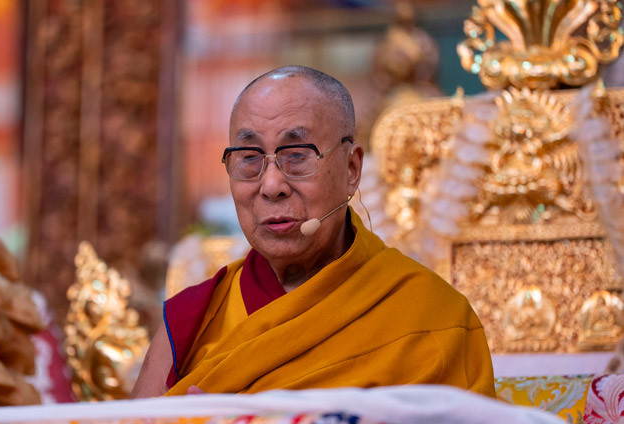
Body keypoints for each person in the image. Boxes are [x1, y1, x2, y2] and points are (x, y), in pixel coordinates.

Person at [131, 65, 495, 398]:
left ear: (352, 170)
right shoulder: (189, 323)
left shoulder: (433, 319)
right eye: (249, 158)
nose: (271, 185)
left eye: (297, 155)